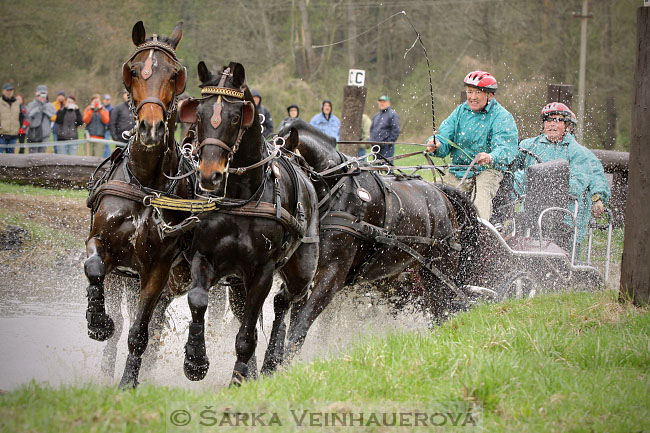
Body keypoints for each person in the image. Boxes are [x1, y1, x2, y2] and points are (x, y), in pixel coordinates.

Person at [426, 70, 518, 220]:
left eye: (478, 93)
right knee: (431, 195)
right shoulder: (460, 111)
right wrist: (436, 144)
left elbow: (506, 149)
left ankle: (480, 236)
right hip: (458, 170)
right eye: (470, 92)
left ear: (490, 95)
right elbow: (443, 137)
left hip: (488, 171)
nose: (473, 97)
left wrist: (490, 157)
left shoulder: (502, 117)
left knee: (479, 202)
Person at [513, 102, 596, 251]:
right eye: (548, 120)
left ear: (567, 126)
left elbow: (577, 183)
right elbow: (514, 173)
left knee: (560, 247)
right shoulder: (528, 145)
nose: (552, 124)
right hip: (531, 211)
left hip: (563, 214)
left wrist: (547, 190)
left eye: (557, 121)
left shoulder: (577, 152)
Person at [26, 85, 56, 153]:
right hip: (33, 133)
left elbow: (53, 115)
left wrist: (44, 108)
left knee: (42, 156)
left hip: (45, 134)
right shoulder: (31, 104)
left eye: (44, 94)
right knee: (32, 156)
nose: (42, 96)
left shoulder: (49, 105)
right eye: (41, 93)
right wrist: (38, 108)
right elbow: (29, 115)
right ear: (37, 94)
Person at [0, 82, 21, 153]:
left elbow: (21, 116)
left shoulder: (17, 103)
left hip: (13, 134)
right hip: (2, 135)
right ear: (3, 91)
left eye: (11, 90)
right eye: (7, 90)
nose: (9, 92)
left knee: (11, 157)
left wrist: (19, 127)